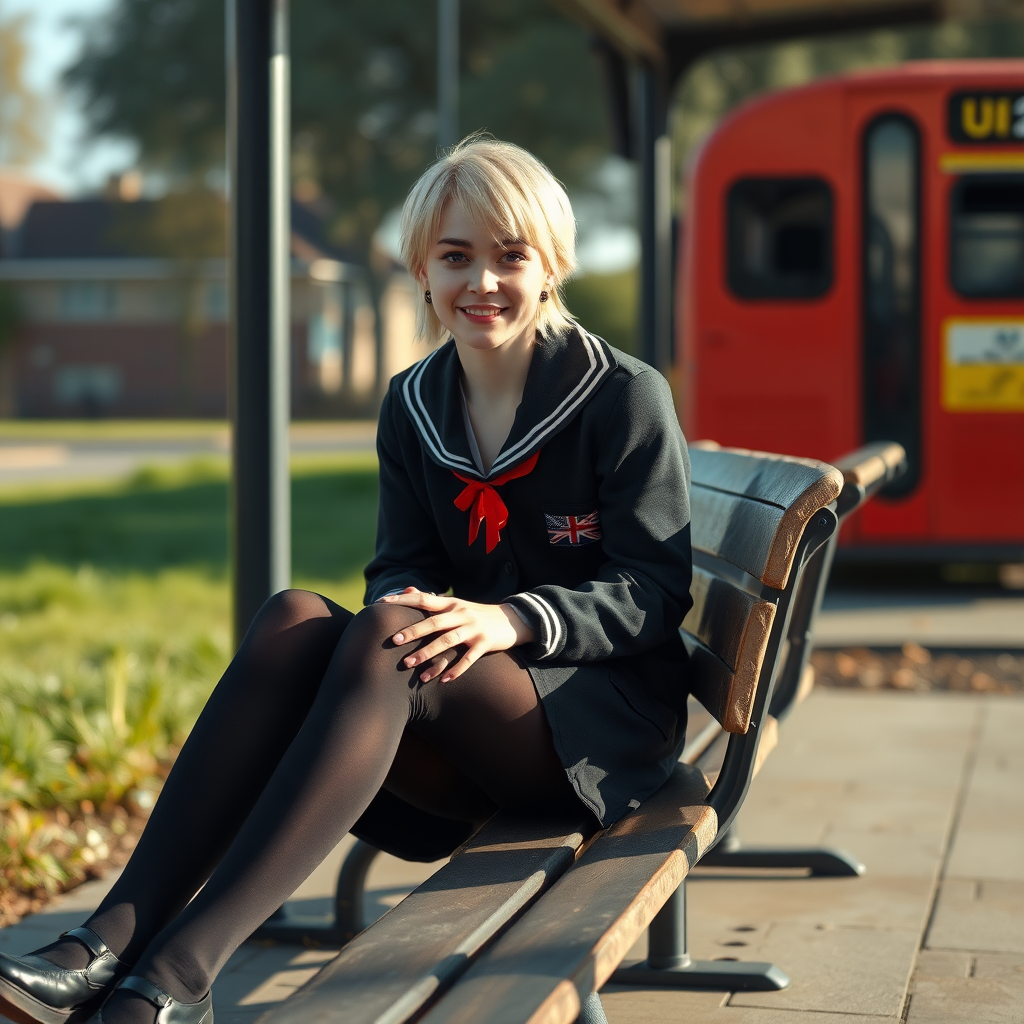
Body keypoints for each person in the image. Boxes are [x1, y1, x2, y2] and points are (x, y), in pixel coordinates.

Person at [0, 137, 693, 1024]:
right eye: (456, 257)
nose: (482, 282)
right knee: (296, 615)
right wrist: (418, 600)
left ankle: (174, 980)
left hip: (596, 737)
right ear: (421, 269)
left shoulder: (619, 396)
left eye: (509, 256)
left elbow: (652, 589)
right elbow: (400, 562)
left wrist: (509, 621)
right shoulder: (412, 402)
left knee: (380, 633)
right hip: (458, 721)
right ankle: (102, 945)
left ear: (552, 265)